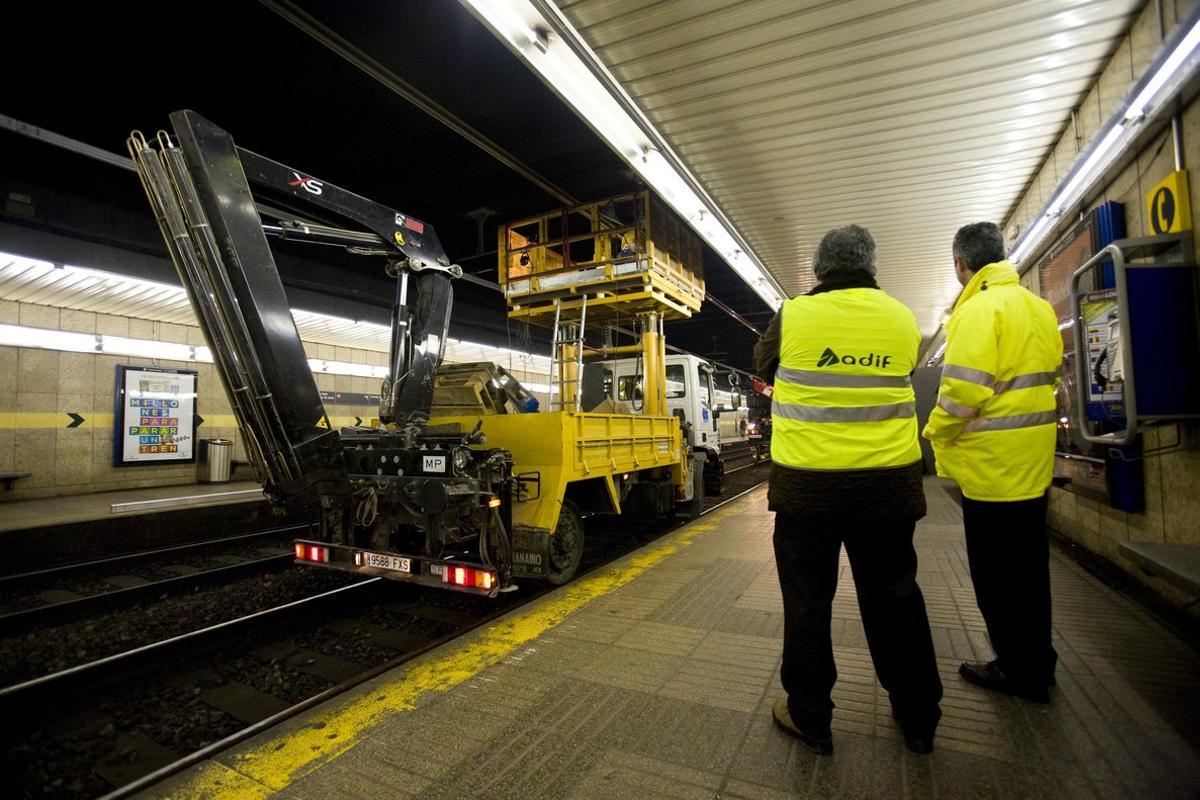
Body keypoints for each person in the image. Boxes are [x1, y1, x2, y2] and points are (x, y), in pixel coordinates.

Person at [755, 225, 943, 755]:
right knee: (896, 598)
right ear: (872, 266)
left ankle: (811, 718)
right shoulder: (902, 318)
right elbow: (901, 370)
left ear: (819, 269)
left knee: (808, 603)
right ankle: (919, 716)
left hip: (808, 489)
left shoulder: (793, 315)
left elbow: (763, 364)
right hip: (886, 486)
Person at [923, 221, 1062, 703]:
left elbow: (963, 391)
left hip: (994, 469)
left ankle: (1016, 670)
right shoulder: (1037, 307)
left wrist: (934, 432)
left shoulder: (979, 310)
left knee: (998, 575)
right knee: (1030, 571)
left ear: (961, 264)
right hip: (1032, 462)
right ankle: (1038, 661)